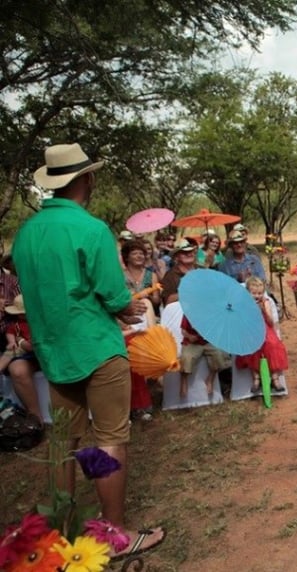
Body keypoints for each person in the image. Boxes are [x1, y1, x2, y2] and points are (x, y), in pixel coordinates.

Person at [11, 143, 165, 557]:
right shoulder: (91, 229)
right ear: (87, 178)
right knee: (110, 436)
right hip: (96, 347)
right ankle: (112, 535)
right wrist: (126, 307)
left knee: (66, 441)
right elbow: (113, 295)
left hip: (53, 352)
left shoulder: (26, 233)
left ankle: (60, 533)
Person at [234, 277, 289, 394]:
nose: (257, 296)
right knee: (252, 347)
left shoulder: (266, 301)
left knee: (272, 345)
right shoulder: (244, 304)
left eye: (259, 293)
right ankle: (256, 378)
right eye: (254, 293)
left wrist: (264, 310)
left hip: (265, 329)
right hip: (250, 330)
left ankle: (275, 378)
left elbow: (270, 322)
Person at [1, 295, 42, 422]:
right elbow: (10, 332)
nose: (21, 316)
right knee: (9, 353)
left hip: (37, 348)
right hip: (22, 348)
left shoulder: (38, 321)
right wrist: (13, 341)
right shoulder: (16, 324)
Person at [160, 238, 198, 305]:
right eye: (184, 252)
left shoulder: (202, 270)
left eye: (190, 251)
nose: (189, 254)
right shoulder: (171, 276)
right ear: (176, 257)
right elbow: (167, 301)